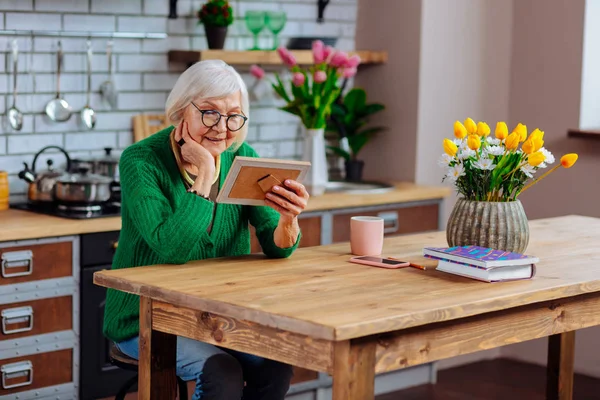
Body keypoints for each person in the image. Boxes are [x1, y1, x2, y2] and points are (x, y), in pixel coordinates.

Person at [103, 59, 310, 400]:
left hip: (217, 314)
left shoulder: (243, 157)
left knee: (277, 365)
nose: (222, 127)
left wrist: (289, 218)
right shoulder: (140, 161)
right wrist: (205, 175)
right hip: (145, 315)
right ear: (182, 110)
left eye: (233, 116)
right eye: (210, 113)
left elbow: (278, 248)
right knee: (221, 371)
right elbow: (172, 249)